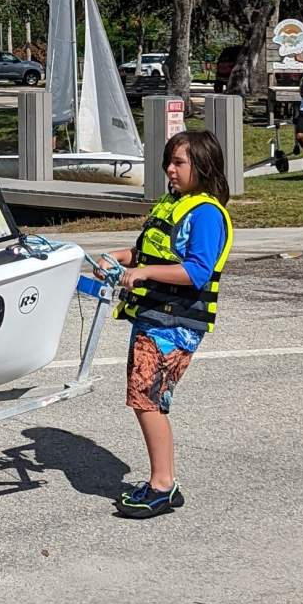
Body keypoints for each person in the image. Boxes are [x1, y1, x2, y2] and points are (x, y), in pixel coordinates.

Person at [110, 128, 233, 519]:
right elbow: (149, 251)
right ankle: (162, 481)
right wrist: (122, 257)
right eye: (169, 161)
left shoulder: (207, 214)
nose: (170, 169)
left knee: (148, 397)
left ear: (203, 165)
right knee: (143, 396)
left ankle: (163, 485)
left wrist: (145, 272)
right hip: (154, 318)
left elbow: (197, 272)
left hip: (175, 325)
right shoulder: (173, 204)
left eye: (179, 162)